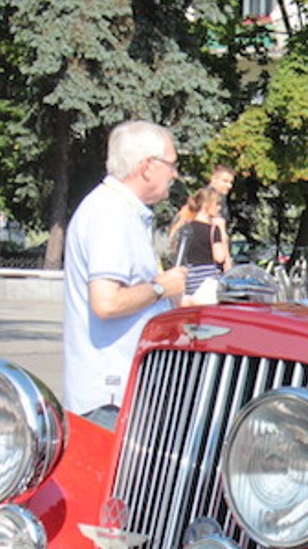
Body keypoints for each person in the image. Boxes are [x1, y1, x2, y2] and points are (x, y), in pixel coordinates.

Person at [62, 120, 187, 423]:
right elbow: (107, 303)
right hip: (108, 396)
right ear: (147, 166)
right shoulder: (111, 214)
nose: (175, 174)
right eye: (171, 164)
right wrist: (161, 288)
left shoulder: (120, 211)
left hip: (116, 389)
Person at [170, 184, 231, 302]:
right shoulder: (213, 229)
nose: (219, 208)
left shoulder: (185, 228)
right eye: (216, 204)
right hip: (208, 277)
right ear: (207, 205)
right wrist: (222, 232)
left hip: (190, 277)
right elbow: (219, 257)